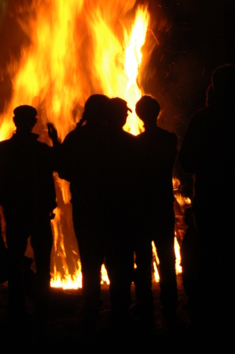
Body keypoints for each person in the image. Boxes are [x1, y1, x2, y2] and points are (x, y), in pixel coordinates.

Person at [179, 64, 235, 327]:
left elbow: (187, 162)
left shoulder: (202, 119)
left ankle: (208, 313)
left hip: (211, 200)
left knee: (210, 254)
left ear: (215, 86)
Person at [0, 105, 56, 320]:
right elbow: (59, 169)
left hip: (15, 213)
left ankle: (16, 308)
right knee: (43, 262)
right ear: (34, 122)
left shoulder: (3, 149)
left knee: (15, 261)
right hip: (39, 213)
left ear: (15, 122)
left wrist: (4, 204)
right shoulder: (42, 151)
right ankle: (42, 307)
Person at [57, 94, 111, 327]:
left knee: (89, 259)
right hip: (113, 206)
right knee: (116, 257)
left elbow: (63, 170)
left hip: (84, 206)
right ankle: (120, 306)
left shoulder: (75, 138)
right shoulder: (118, 139)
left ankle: (91, 306)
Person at [133, 95, 178, 322]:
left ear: (139, 115)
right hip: (162, 204)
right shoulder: (170, 139)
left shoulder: (135, 144)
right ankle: (170, 304)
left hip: (142, 207)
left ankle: (145, 304)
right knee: (166, 256)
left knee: (143, 258)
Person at [104, 97, 137, 322]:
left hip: (104, 210)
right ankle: (121, 303)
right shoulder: (130, 143)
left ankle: (113, 303)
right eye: (124, 113)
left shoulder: (95, 142)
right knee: (123, 257)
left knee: (109, 257)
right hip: (123, 210)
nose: (126, 117)